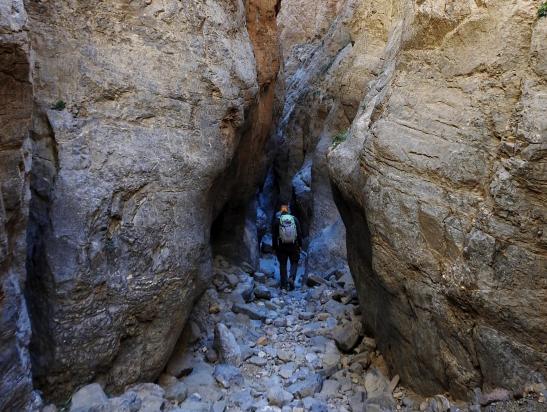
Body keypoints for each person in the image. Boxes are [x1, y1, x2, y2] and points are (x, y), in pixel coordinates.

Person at [272, 204, 302, 290]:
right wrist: (300, 245)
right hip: (293, 245)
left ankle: (283, 286)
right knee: (294, 262)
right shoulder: (294, 219)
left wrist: (274, 248)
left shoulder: (277, 221)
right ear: (288, 211)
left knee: (283, 264)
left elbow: (274, 236)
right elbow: (299, 233)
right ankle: (291, 278)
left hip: (281, 246)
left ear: (281, 211)